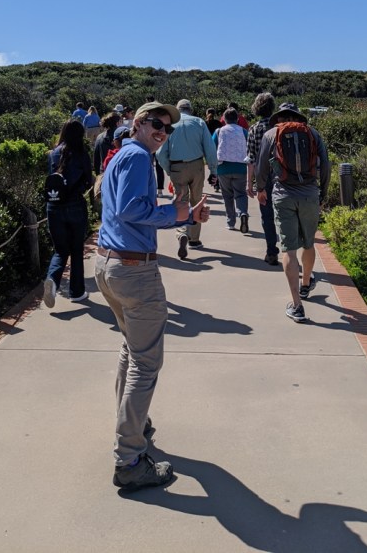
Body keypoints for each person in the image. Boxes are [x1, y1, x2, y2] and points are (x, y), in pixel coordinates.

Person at [95, 101, 210, 491]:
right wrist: (180, 216)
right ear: (139, 124)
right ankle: (129, 458)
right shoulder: (139, 157)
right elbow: (132, 210)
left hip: (110, 266)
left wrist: (180, 213)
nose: (163, 132)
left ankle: (133, 423)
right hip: (133, 271)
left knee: (131, 350)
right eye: (157, 125)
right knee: (145, 363)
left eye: (169, 129)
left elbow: (120, 209)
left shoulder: (121, 156)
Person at [255, 103, 330, 323]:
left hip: (283, 194)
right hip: (309, 194)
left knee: (288, 250)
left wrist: (260, 188)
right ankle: (306, 284)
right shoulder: (313, 133)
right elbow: (325, 165)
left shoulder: (271, 133)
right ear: (298, 116)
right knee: (308, 243)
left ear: (279, 117)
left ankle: (297, 305)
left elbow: (262, 166)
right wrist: (322, 193)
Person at [156, 99, 218, 259]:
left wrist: (169, 170)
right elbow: (209, 148)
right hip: (197, 165)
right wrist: (213, 170)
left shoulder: (170, 125)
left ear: (177, 110)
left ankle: (182, 232)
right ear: (190, 109)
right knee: (197, 201)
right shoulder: (198, 122)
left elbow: (160, 153)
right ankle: (195, 240)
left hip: (177, 166)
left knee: (180, 202)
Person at [43, 119, 94, 308]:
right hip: (75, 206)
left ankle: (53, 281)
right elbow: (88, 180)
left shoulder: (53, 153)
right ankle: (77, 292)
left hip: (54, 207)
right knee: (76, 250)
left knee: (60, 250)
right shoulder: (81, 153)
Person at [245, 92, 280, 266]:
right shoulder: (280, 127)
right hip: (283, 177)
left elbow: (251, 159)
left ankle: (271, 252)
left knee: (267, 216)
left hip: (263, 178)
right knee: (284, 214)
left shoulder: (254, 129)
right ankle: (291, 253)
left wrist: (249, 183)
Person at [212, 108, 249, 231]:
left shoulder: (219, 131)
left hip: (223, 168)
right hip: (241, 167)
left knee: (227, 195)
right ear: (237, 119)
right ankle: (243, 213)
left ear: (224, 119)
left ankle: (230, 222)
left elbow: (212, 147)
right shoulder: (243, 132)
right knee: (241, 194)